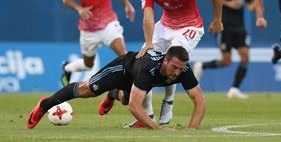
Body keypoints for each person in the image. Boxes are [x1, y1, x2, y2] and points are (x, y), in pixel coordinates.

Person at [98, 0, 223, 128]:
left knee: (173, 58)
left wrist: (217, 20)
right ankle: (147, 116)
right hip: (164, 26)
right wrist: (149, 43)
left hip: (189, 26)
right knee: (146, 62)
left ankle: (168, 101)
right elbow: (148, 16)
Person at [27, 46, 205, 130]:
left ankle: (113, 94)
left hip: (137, 81)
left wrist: (192, 129)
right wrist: (158, 129)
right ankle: (44, 105)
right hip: (122, 69)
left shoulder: (184, 71)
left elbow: (199, 100)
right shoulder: (147, 70)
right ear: (166, 60)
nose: (177, 72)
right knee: (87, 90)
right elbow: (134, 108)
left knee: (127, 98)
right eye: (174, 67)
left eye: (181, 69)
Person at [193, 0, 255, 99]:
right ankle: (202, 66)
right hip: (224, 25)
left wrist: (254, 6)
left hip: (240, 26)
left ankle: (234, 88)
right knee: (226, 61)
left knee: (245, 57)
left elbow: (250, 2)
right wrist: (229, 3)